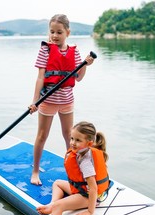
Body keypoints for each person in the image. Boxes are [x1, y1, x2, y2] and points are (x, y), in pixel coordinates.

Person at [28, 14, 95, 186]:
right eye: (52, 32)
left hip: (67, 100)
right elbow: (40, 77)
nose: (55, 35)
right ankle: (35, 171)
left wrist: (86, 65)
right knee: (42, 136)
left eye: (59, 32)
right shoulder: (46, 49)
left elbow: (78, 78)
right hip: (48, 100)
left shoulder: (74, 51)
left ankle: (72, 171)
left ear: (67, 32)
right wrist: (35, 101)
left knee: (69, 137)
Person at [34, 121, 110, 215]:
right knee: (57, 183)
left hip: (90, 197)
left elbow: (93, 188)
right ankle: (52, 204)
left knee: (59, 207)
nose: (73, 143)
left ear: (89, 143)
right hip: (81, 190)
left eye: (78, 140)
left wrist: (90, 211)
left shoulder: (86, 162)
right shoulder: (81, 152)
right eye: (72, 138)